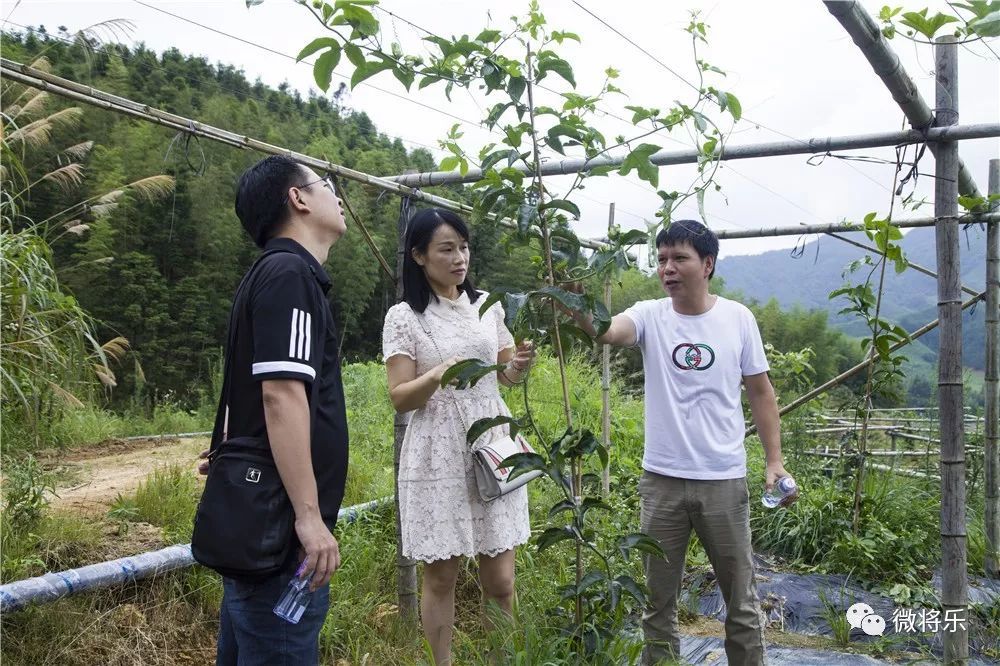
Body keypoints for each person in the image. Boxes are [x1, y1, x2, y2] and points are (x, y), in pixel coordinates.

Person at [570, 220, 793, 666]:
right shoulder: (651, 314)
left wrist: (775, 461)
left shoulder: (737, 318)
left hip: (723, 482)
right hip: (662, 482)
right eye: (662, 259)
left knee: (742, 605)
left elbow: (761, 391)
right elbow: (607, 331)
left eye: (680, 258)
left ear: (707, 264)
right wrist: (575, 304)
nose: (667, 268)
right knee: (658, 606)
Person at [203, 155, 350, 665]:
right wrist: (309, 519)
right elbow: (281, 393)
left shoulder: (270, 274)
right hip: (281, 533)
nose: (336, 195)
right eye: (325, 184)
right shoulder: (290, 273)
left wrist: (226, 451)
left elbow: (246, 388)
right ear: (299, 198)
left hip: (262, 525)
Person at [382, 208, 535, 665]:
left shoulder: (488, 305)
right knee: (442, 574)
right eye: (446, 249)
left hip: (493, 441)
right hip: (437, 450)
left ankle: (501, 660)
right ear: (419, 256)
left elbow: (505, 376)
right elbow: (399, 397)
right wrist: (439, 376)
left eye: (463, 247)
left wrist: (518, 366)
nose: (459, 258)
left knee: (502, 580)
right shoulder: (405, 316)